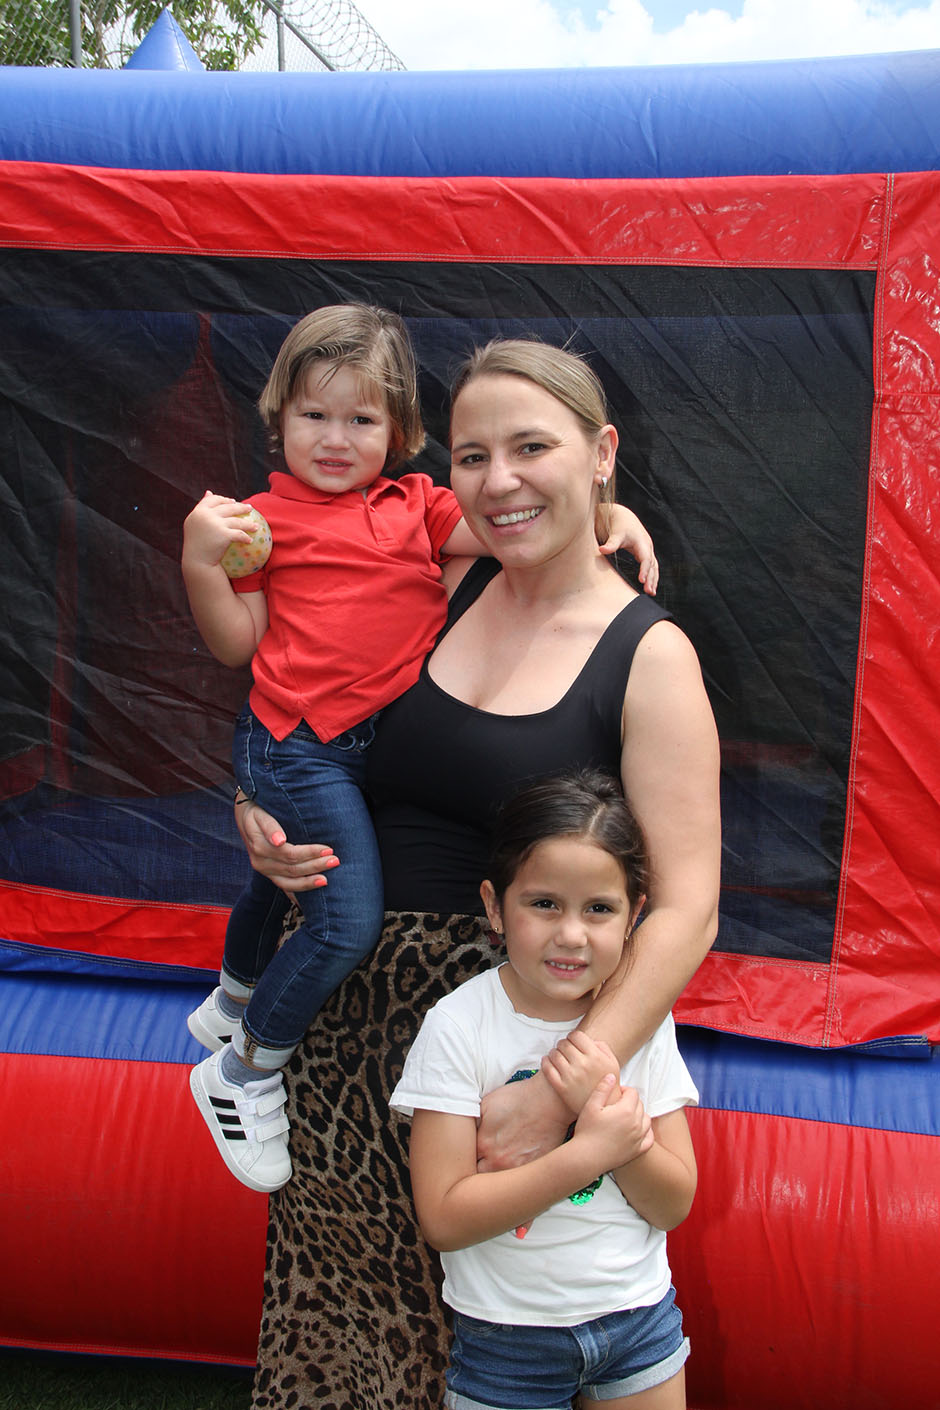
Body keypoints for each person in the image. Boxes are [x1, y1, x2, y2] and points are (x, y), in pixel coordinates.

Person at [238, 335, 721, 1410]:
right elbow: (309, 705)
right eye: (470, 455)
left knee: (487, 1356)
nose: (497, 481)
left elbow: (686, 908)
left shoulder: (649, 655)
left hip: (513, 1055)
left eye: (531, 447)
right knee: (345, 1345)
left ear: (601, 453)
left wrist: (563, 1089)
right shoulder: (443, 584)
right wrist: (259, 809)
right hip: (343, 1039)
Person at [180, 305, 659, 1193]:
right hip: (299, 742)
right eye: (312, 416)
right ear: (275, 417)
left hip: (358, 764)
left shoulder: (421, 513)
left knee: (286, 878)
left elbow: (527, 521)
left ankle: (238, 1001)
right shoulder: (261, 522)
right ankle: (242, 1064)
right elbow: (240, 644)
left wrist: (611, 511)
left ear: (401, 436)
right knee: (336, 911)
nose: (333, 438)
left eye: (361, 420)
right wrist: (202, 566)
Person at [391, 769, 699, 1410]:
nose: (571, 934)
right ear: (494, 906)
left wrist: (627, 1146)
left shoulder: (646, 1022)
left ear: (634, 914)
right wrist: (588, 1152)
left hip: (639, 1321)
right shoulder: (459, 1026)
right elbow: (444, 1218)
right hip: (506, 1339)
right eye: (544, 904)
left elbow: (672, 1205)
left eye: (599, 909)